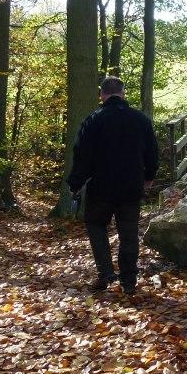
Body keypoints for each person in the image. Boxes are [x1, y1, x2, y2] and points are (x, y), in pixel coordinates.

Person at [67, 76, 159, 294]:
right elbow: (152, 152)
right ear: (123, 93)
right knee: (129, 233)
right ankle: (129, 280)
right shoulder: (140, 120)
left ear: (102, 94)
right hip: (131, 186)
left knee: (96, 226)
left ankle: (106, 272)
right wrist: (149, 176)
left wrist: (75, 183)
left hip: (101, 188)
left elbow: (81, 155)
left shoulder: (93, 120)